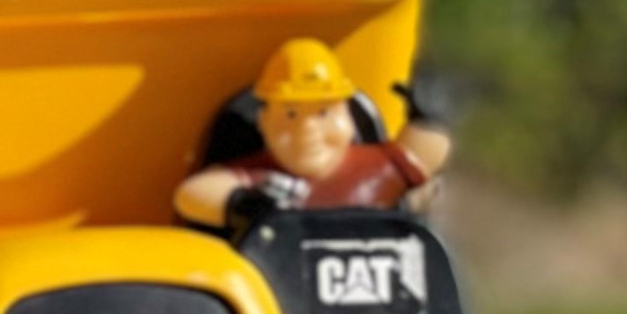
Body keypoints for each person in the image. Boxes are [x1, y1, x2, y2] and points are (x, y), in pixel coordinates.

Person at [173, 37, 454, 230]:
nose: (307, 130)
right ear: (264, 122)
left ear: (349, 117)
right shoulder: (264, 181)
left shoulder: (379, 167)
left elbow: (421, 155)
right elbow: (193, 194)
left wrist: (428, 119)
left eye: (323, 114)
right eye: (290, 115)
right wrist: (242, 204)